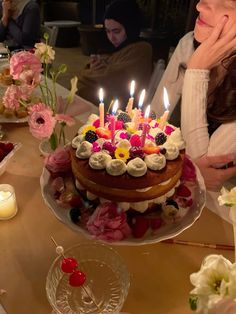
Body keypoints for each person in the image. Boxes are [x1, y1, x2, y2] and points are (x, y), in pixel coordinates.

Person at [151, 0, 236, 223]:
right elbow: (153, 124)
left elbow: (206, 164)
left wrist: (197, 71)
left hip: (219, 217)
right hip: (169, 195)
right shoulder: (189, 44)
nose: (200, 6)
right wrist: (186, 171)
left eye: (227, 3)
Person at [77, 0, 153, 107]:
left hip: (120, 108)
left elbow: (116, 78)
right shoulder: (117, 47)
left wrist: (83, 74)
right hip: (106, 99)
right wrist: (96, 66)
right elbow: (110, 70)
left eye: (116, 31)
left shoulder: (141, 49)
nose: (111, 38)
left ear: (130, 28)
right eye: (108, 31)